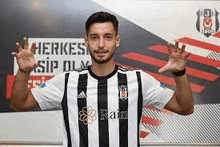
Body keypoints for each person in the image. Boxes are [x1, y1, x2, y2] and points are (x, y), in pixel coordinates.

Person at [10, 11, 194, 147]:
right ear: (86, 41)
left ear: (117, 40)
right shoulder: (67, 81)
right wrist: (24, 71)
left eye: (107, 37)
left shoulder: (138, 80)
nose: (100, 45)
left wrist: (179, 73)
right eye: (94, 37)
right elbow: (19, 104)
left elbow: (185, 108)